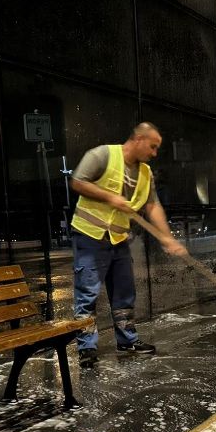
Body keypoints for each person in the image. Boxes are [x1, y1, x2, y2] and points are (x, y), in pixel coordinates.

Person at [69, 122, 187, 368]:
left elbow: (153, 206)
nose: (154, 153)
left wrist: (166, 237)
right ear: (138, 139)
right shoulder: (102, 155)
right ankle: (87, 348)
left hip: (119, 240)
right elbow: (78, 181)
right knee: (87, 294)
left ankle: (127, 341)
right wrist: (110, 196)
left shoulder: (145, 173)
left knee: (124, 293)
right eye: (153, 147)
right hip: (90, 236)